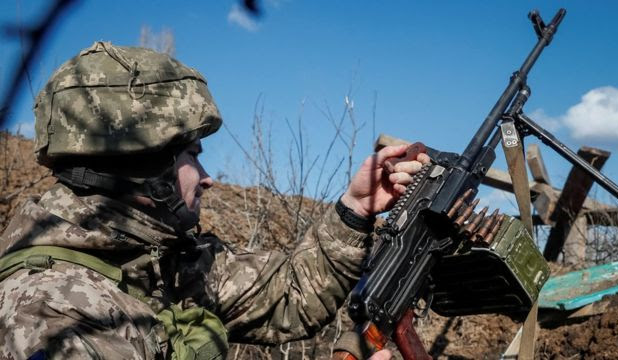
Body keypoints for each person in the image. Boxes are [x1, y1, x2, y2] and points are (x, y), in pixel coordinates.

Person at [0, 42, 429, 360]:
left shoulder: (156, 260)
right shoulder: (51, 312)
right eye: (193, 158)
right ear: (145, 167)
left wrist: (355, 209)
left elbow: (289, 295)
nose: (208, 181)